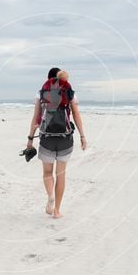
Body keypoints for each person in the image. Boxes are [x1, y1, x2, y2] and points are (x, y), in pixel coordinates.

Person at [26, 67, 87, 219]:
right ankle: (57, 211)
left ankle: (50, 196)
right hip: (65, 138)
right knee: (61, 174)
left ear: (48, 79)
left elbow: (36, 117)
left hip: (47, 138)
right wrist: (82, 136)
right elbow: (77, 115)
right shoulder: (69, 93)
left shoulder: (41, 93)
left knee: (47, 172)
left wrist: (30, 139)